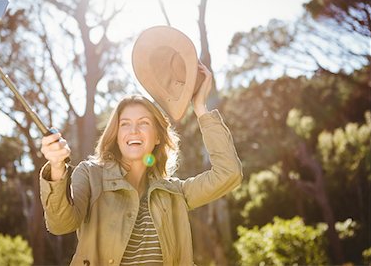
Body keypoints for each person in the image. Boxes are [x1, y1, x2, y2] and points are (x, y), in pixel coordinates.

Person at [39, 62, 242, 266]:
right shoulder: (90, 175)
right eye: (125, 124)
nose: (133, 130)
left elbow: (229, 173)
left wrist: (200, 108)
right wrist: (57, 166)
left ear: (157, 137)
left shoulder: (175, 193)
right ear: (117, 135)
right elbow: (60, 224)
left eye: (143, 123)